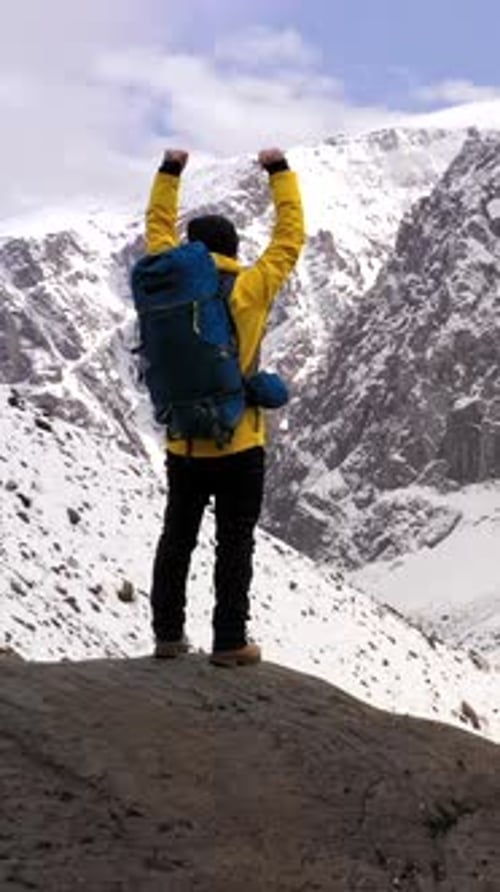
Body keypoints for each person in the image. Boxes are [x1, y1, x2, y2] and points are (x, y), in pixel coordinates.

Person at [145, 145, 305, 666]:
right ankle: (229, 642)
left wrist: (170, 171)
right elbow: (290, 237)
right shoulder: (250, 287)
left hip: (183, 439)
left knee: (177, 538)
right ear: (234, 248)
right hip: (240, 442)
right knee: (233, 545)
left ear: (189, 252)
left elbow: (157, 228)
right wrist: (278, 172)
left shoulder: (165, 284)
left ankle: (167, 637)